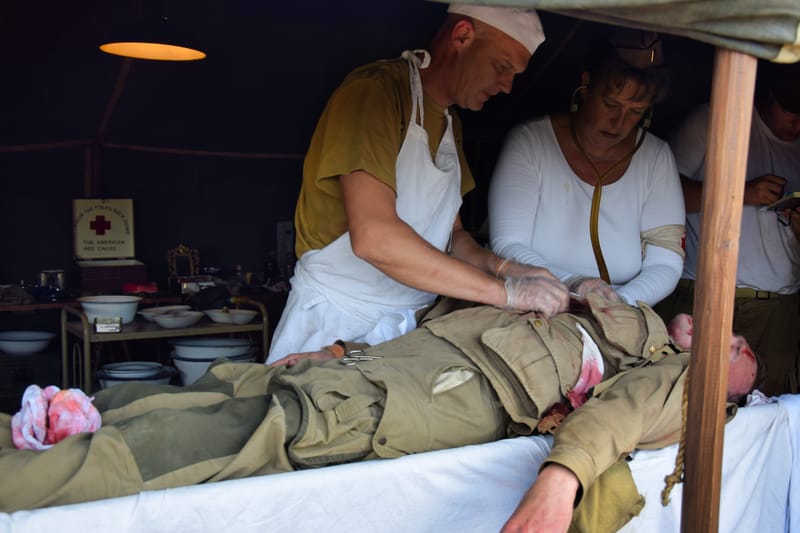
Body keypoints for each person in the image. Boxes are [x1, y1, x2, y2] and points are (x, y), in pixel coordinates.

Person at [0, 294, 757, 525]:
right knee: (152, 401)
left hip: (377, 406)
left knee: (159, 445)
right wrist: (335, 350)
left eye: (740, 351)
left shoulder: (677, 376)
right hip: (363, 370)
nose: (728, 337)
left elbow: (613, 422)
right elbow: (450, 318)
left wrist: (559, 483)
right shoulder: (610, 311)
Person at [267, 5, 559, 363]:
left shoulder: (451, 123)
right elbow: (373, 236)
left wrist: (511, 270)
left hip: (408, 334)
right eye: (502, 67)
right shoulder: (374, 92)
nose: (507, 86)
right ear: (462, 35)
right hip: (334, 322)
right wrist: (505, 293)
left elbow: (451, 237)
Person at [488, 28, 685, 308]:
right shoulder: (530, 142)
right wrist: (575, 284)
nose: (619, 122)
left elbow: (666, 261)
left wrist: (618, 303)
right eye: (610, 104)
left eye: (635, 110)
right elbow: (508, 245)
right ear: (586, 83)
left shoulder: (656, 157)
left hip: (623, 312)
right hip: (534, 304)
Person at [656, 60, 800, 396]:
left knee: (765, 412)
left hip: (777, 309)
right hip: (704, 294)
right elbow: (660, 194)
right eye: (790, 110)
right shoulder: (716, 119)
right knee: (684, 401)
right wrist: (742, 193)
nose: (797, 122)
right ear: (768, 93)